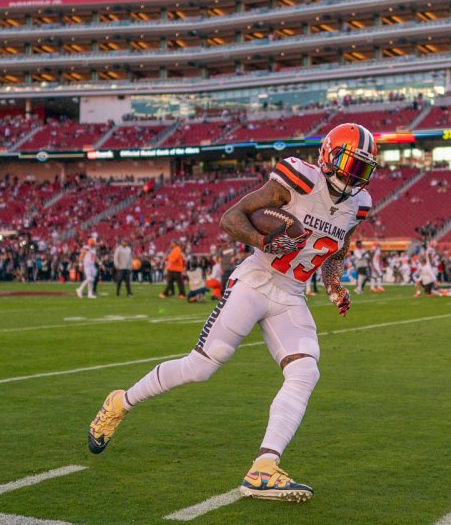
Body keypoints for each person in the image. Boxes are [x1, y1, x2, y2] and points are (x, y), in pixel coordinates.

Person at [87, 122, 378, 503]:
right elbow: (231, 218)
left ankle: (264, 468)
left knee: (306, 369)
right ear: (327, 156)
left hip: (291, 294)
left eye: (362, 169)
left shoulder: (359, 206)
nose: (354, 176)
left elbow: (335, 253)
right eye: (349, 164)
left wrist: (336, 285)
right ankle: (120, 402)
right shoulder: (299, 179)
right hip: (256, 279)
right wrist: (265, 241)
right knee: (201, 366)